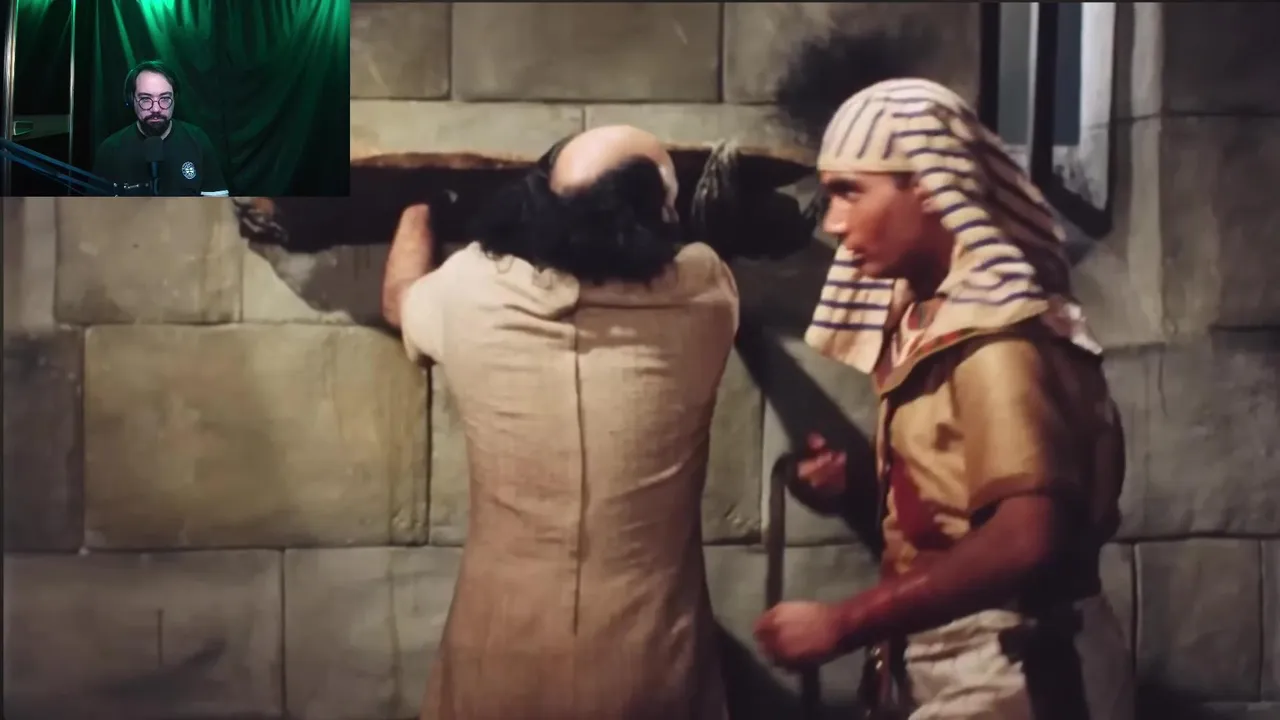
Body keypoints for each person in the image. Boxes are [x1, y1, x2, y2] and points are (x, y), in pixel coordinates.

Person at [752, 78, 1135, 720]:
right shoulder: (936, 323)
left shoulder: (997, 342)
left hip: (1020, 670)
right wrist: (856, 487)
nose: (834, 222)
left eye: (851, 191)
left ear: (931, 185)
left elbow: (1025, 538)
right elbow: (962, 508)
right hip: (961, 661)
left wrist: (842, 623)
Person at [381, 125, 739, 720]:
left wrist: (417, 204)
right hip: (652, 659)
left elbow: (400, 300)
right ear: (662, 216)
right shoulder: (708, 295)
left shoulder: (470, 289)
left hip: (500, 659)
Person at [92, 60, 229, 197]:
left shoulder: (198, 140)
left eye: (164, 98)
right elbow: (94, 208)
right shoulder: (110, 150)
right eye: (145, 99)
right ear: (131, 99)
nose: (156, 109)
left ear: (175, 99)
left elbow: (217, 204)